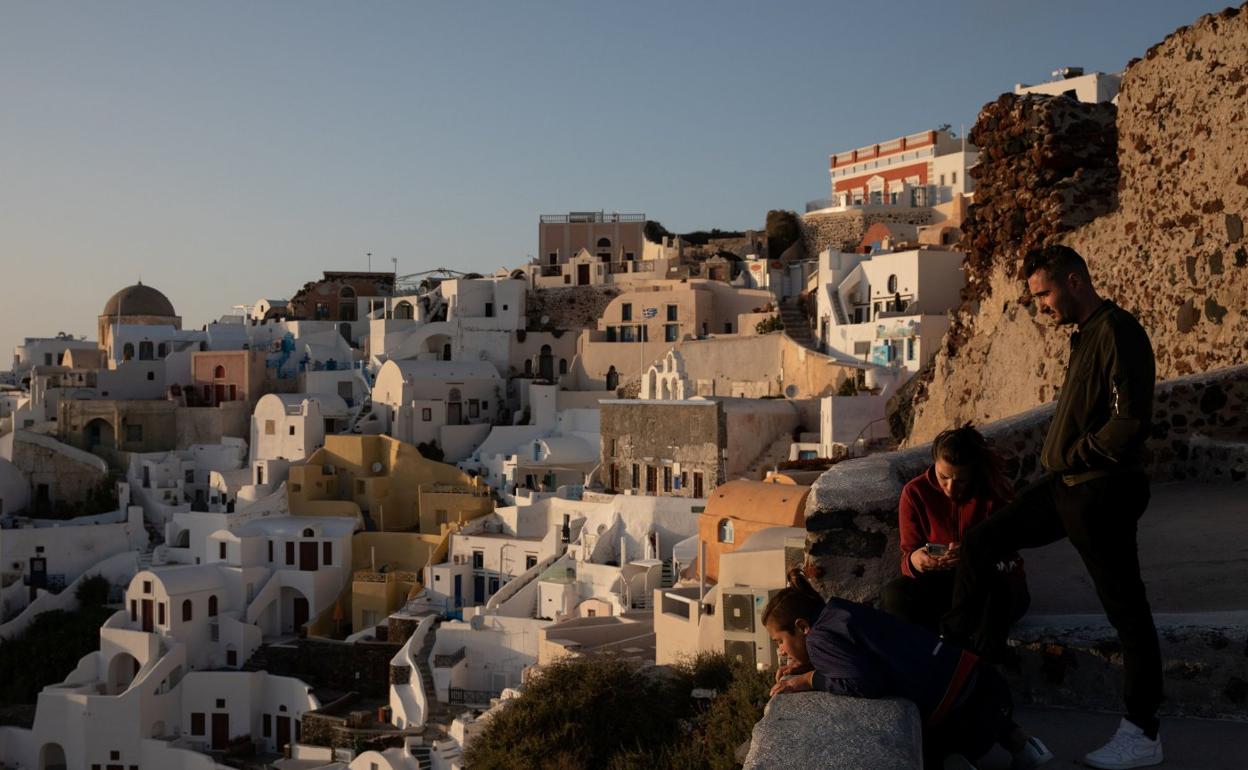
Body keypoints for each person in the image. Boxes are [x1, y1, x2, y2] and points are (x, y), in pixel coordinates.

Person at [942, 245, 1163, 769]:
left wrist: (1081, 452)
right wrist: (1067, 459)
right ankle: (953, 662)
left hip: (1101, 490)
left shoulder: (1118, 332)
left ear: (1075, 280)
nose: (1040, 304)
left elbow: (1130, 420)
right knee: (980, 541)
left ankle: (1144, 732)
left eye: (1044, 292)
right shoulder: (1085, 335)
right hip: (1066, 485)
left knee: (1127, 612)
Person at [765, 568, 1052, 770]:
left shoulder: (817, 640)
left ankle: (956, 759)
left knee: (925, 751)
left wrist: (811, 678)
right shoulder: (838, 611)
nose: (781, 651)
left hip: (960, 719)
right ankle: (1025, 747)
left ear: (802, 627)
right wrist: (814, 661)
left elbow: (865, 682)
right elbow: (859, 653)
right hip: (988, 685)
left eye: (780, 641)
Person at [882, 425, 1030, 657]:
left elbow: (1010, 556)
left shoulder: (993, 494)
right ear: (934, 463)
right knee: (896, 595)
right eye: (944, 477)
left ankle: (977, 669)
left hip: (992, 584)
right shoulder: (916, 493)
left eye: (961, 480)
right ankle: (925, 660)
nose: (950, 487)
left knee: (991, 605)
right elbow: (907, 556)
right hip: (946, 584)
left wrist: (974, 554)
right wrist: (917, 560)